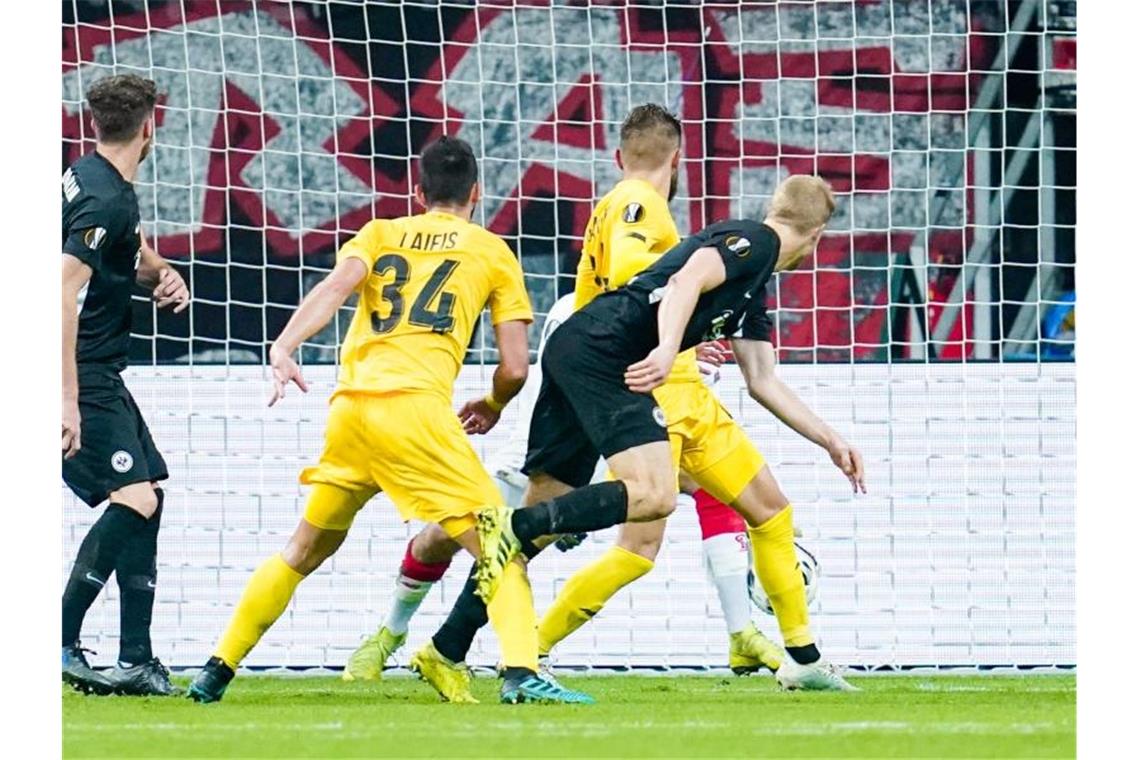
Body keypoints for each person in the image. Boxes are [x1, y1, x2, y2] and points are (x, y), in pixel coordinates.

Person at [341, 105, 784, 688]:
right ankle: (407, 632)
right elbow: (637, 274)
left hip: (593, 361)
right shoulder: (639, 203)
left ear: (618, 155)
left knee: (610, 509)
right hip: (611, 366)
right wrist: (673, 335)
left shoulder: (617, 205)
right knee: (617, 508)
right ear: (677, 159)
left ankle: (454, 647)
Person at [187, 136, 592, 705]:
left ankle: (215, 669)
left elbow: (334, 288)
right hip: (417, 413)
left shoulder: (379, 233)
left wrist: (284, 346)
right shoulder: (492, 251)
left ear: (418, 192)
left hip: (351, 412)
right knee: (501, 548)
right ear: (477, 193)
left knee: (301, 551)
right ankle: (522, 671)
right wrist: (494, 405)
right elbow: (516, 367)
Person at [474, 172, 866, 693]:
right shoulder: (752, 241)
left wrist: (831, 440)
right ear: (817, 236)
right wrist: (665, 349)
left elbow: (763, 380)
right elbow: (682, 281)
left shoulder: (753, 285)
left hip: (690, 402)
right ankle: (529, 644)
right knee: (637, 542)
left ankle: (803, 659)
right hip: (652, 391)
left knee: (770, 510)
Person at [62, 74, 190, 696]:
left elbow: (125, 252)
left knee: (149, 496)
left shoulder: (90, 176)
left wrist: (161, 273)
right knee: (134, 497)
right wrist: (65, 400)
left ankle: (136, 657)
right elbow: (60, 291)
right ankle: (55, 641)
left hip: (99, 370)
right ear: (150, 126)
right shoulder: (105, 200)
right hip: (81, 372)